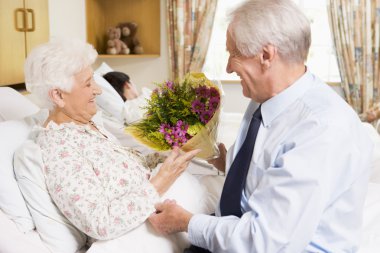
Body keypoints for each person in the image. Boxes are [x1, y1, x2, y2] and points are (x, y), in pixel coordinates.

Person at [148, 0, 374, 252]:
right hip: (236, 234)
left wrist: (186, 222)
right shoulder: (265, 100)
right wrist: (222, 159)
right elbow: (263, 169)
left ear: (266, 56)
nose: (228, 67)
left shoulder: (321, 129)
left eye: (233, 53)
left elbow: (263, 242)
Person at [23, 38, 200, 241]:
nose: (98, 90)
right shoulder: (58, 149)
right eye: (88, 83)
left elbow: (128, 168)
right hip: (138, 233)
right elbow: (101, 223)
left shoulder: (88, 125)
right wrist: (162, 180)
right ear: (57, 95)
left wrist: (167, 157)